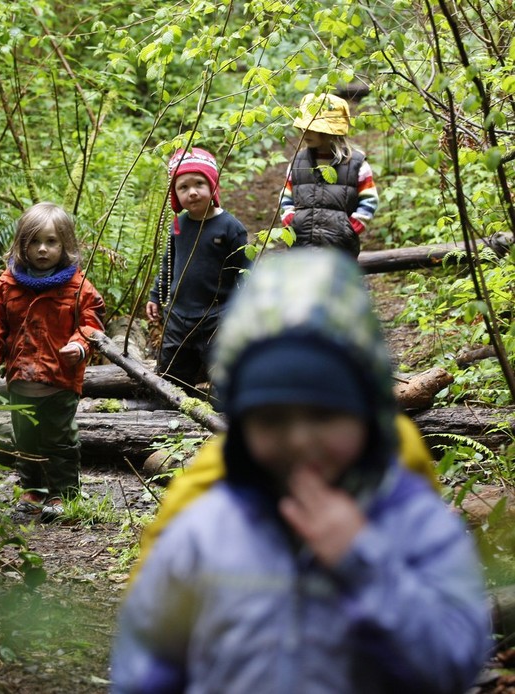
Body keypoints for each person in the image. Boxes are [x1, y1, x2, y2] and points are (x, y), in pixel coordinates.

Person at [111, 248, 490, 694]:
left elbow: (455, 661)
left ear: (368, 415)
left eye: (325, 415)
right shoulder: (205, 529)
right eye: (272, 420)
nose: (299, 440)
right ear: (240, 426)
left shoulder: (410, 521)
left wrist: (363, 562)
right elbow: (148, 660)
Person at [0, 203, 105, 520]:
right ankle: (33, 489)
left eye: (51, 241)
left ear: (65, 245)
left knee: (60, 441)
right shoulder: (6, 286)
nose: (42, 249)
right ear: (22, 245)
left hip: (60, 380)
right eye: (34, 242)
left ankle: (63, 494)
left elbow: (91, 324)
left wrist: (80, 345)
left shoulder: (78, 288)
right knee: (26, 439)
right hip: (21, 379)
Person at [146, 147, 249, 402]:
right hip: (178, 316)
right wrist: (156, 295)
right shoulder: (178, 225)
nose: (192, 192)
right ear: (175, 194)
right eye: (183, 187)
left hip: (217, 316)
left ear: (212, 185)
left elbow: (246, 271)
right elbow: (169, 264)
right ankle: (169, 420)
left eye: (199, 184)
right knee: (173, 374)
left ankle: (223, 417)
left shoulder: (230, 227)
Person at [279, 92, 379, 257]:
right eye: (304, 127)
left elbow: (369, 199)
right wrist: (291, 222)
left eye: (312, 128)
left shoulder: (356, 163)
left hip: (339, 247)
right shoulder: (298, 162)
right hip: (301, 245)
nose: (305, 133)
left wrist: (350, 228)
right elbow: (286, 197)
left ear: (330, 132)